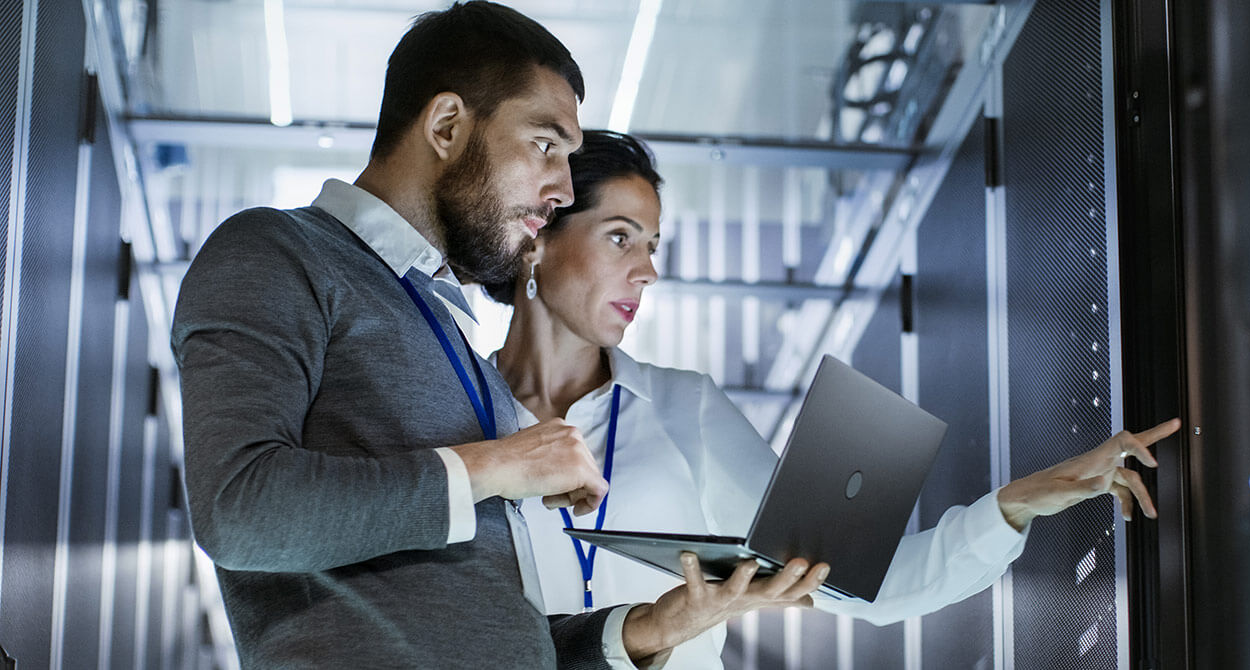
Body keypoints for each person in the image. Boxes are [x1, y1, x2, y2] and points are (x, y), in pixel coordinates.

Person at [171, 4, 826, 668]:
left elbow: (487, 626)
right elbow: (238, 509)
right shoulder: (276, 251)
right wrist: (499, 465)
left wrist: (648, 628)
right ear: (448, 125)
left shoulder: (448, 334)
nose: (564, 190)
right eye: (546, 145)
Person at [486, 129, 1181, 667]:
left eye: (653, 244)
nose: (649, 269)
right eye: (620, 238)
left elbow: (864, 589)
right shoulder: (458, 418)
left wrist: (1019, 503)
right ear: (538, 239)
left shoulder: (682, 409)